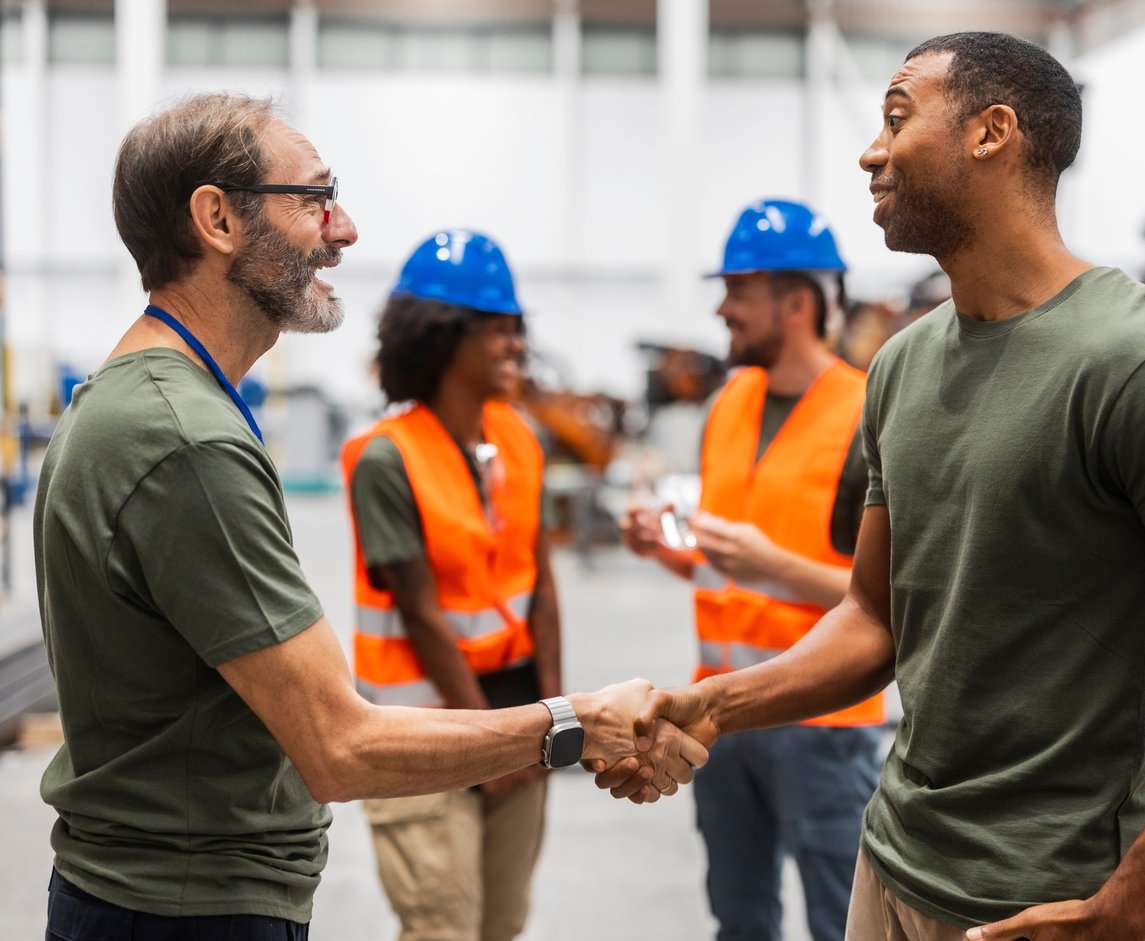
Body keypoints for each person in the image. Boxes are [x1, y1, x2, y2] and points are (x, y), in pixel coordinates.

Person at [601, 31, 1145, 941]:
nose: (871, 151)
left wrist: (1130, 903)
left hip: (1042, 901)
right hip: (894, 861)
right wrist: (718, 702)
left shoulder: (1140, 363)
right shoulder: (903, 366)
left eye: (897, 119)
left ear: (993, 132)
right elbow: (875, 616)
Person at [34, 92, 704, 940]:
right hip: (186, 905)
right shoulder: (184, 439)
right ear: (217, 219)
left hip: (168, 886)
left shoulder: (146, 402)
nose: (343, 228)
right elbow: (337, 745)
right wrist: (576, 723)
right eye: (315, 198)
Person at [620, 198, 885, 941]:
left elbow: (892, 602)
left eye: (738, 290)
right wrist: (667, 548)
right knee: (739, 919)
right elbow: (724, 572)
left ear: (796, 301)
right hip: (724, 715)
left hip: (823, 720)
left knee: (843, 920)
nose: (721, 307)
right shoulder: (729, 402)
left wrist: (773, 565)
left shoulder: (868, 413)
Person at [341, 230, 558, 941]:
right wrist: (485, 743)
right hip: (426, 736)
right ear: (440, 340)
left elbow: (542, 586)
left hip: (519, 719)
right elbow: (424, 616)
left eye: (514, 327)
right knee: (442, 927)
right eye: (494, 329)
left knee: (501, 925)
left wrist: (556, 722)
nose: (514, 344)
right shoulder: (386, 459)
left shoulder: (519, 440)